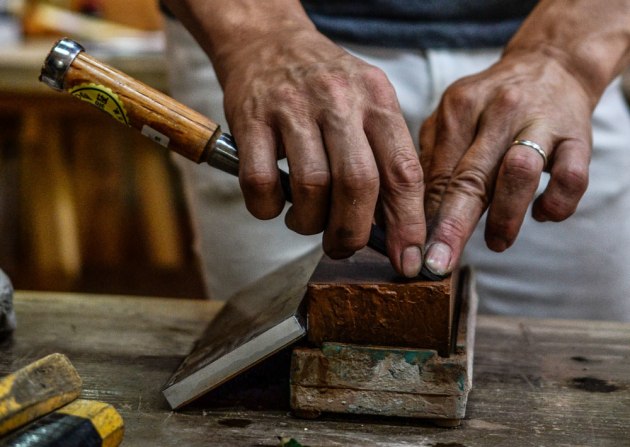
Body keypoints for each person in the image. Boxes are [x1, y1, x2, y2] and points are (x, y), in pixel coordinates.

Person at [160, 0, 630, 321]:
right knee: (267, 391)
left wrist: (567, 60)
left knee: (571, 380)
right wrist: (258, 36)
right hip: (264, 43)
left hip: (570, 48)